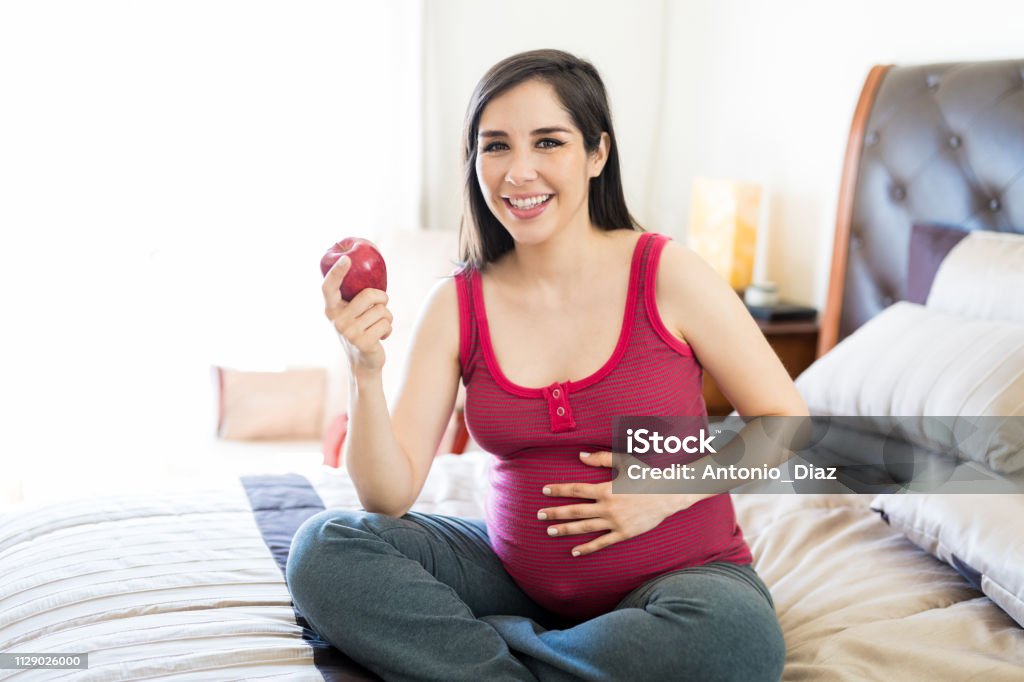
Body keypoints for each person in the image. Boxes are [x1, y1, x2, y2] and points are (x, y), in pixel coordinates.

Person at [287, 48, 804, 681]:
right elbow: (386, 495)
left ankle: (489, 658)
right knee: (324, 547)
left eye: (548, 143)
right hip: (513, 578)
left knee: (737, 643)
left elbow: (786, 423)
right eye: (496, 146)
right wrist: (362, 369)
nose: (519, 171)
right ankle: (547, 661)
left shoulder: (667, 273)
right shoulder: (456, 304)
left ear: (597, 154)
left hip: (681, 583)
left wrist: (660, 494)